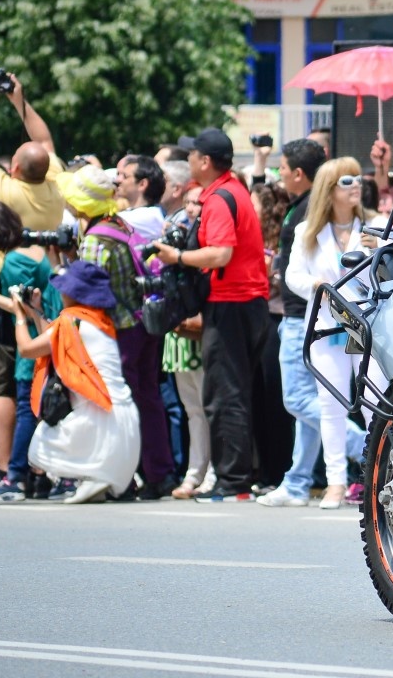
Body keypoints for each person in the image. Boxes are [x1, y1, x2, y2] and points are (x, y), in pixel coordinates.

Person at [154, 127, 270, 503]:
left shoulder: (220, 198)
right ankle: (238, 478)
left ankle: (233, 482)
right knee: (233, 392)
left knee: (224, 395)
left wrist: (177, 257)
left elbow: (220, 254)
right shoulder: (231, 189)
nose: (187, 159)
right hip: (245, 302)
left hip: (232, 303)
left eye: (191, 155)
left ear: (204, 161)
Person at [62, 165, 174, 499]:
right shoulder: (120, 225)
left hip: (118, 332)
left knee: (117, 405)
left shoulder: (96, 239)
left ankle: (122, 477)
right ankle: (159, 473)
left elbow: (87, 292)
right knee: (148, 399)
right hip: (142, 324)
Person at [283, 158, 386, 509]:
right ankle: (336, 483)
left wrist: (379, 251)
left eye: (357, 178)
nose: (356, 184)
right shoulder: (307, 231)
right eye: (346, 180)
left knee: (375, 401)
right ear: (328, 189)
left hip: (369, 325)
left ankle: (379, 478)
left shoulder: (376, 226)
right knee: (331, 406)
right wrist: (317, 285)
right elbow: (293, 276)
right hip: (327, 326)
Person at [9, 261, 142, 504]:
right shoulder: (97, 320)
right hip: (125, 422)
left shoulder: (71, 320)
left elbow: (27, 349)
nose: (61, 292)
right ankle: (93, 479)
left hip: (101, 420)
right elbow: (54, 339)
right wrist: (36, 312)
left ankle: (93, 477)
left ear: (74, 293)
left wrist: (19, 317)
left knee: (40, 445)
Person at [255, 138, 328, 509]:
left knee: (297, 401)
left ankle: (362, 445)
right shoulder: (304, 205)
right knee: (306, 404)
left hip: (302, 315)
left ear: (298, 173)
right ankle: (297, 483)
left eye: (282, 168)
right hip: (301, 314)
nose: (279, 173)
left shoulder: (310, 208)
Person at [0, 201, 61, 502]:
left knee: (27, 407)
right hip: (50, 331)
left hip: (32, 339)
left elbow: (25, 306)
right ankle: (37, 476)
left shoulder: (14, 261)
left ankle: (14, 476)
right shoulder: (37, 250)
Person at [166, 184, 214, 500]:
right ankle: (195, 472)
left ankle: (211, 472)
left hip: (203, 331)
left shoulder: (207, 243)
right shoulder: (175, 235)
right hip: (178, 335)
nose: (191, 208)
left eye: (198, 202)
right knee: (192, 410)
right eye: (187, 202)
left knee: (208, 408)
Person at [249, 180, 294, 491]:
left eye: (251, 204)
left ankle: (277, 472)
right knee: (259, 399)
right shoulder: (251, 237)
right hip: (257, 317)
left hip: (276, 318)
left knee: (275, 400)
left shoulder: (279, 241)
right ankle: (264, 471)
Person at [0, 74, 66, 231]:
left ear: (15, 168)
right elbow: (43, 140)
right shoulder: (56, 191)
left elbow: (43, 142)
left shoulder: (2, 192)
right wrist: (19, 101)